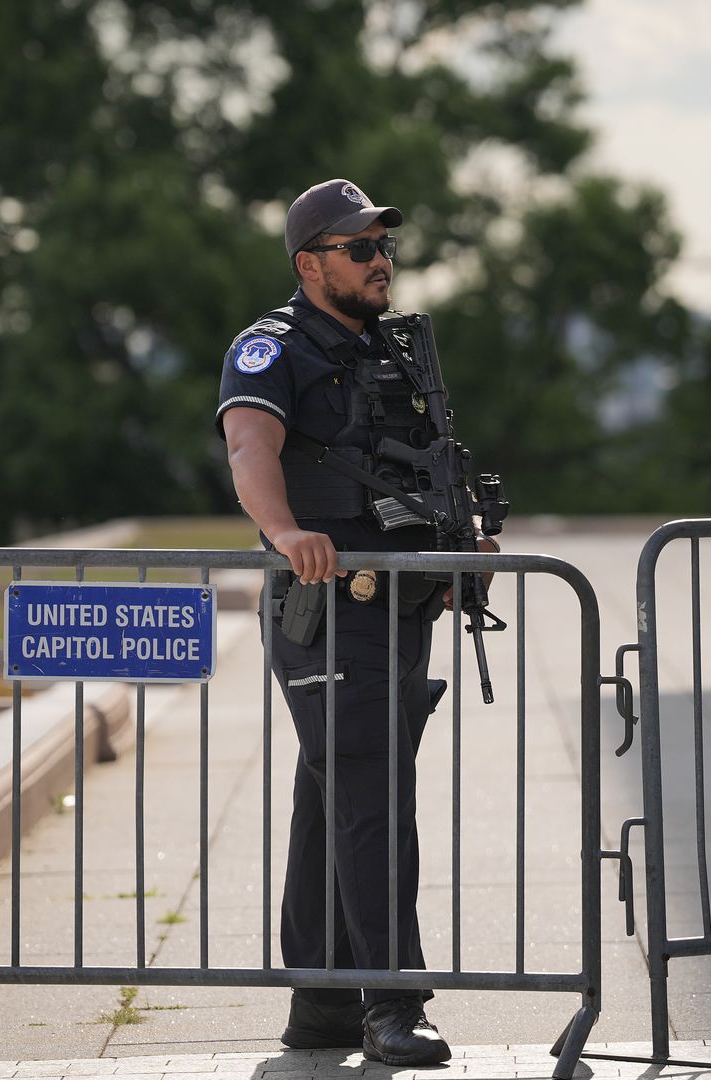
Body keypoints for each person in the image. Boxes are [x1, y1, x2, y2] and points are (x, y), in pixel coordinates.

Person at [215, 178, 493, 1066]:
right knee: (369, 790)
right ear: (311, 263)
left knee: (332, 791)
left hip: (403, 602)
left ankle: (323, 1004)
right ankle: (393, 1007)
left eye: (385, 247)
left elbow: (415, 469)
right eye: (361, 249)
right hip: (325, 608)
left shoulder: (398, 352)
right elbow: (250, 447)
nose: (382, 262)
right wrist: (286, 530)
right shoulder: (271, 348)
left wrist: (460, 549)